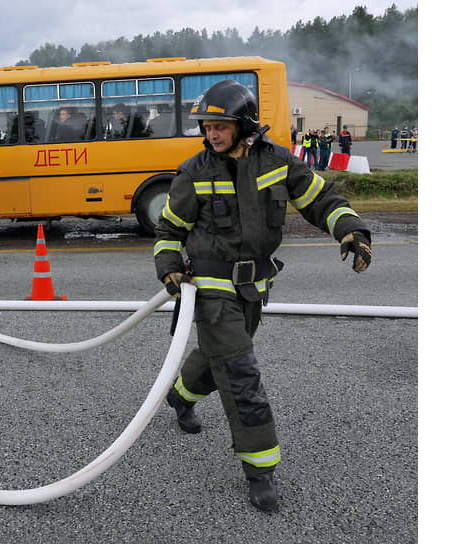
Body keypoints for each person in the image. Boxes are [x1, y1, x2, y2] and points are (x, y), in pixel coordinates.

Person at [153, 79, 372, 512]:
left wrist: (350, 229)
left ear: (245, 124)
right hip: (211, 284)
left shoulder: (276, 161)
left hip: (254, 284)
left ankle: (180, 395)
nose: (211, 134)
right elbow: (168, 231)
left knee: (222, 358)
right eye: (206, 127)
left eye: (220, 126)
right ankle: (260, 469)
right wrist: (171, 268)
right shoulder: (193, 172)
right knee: (240, 371)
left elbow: (319, 198)